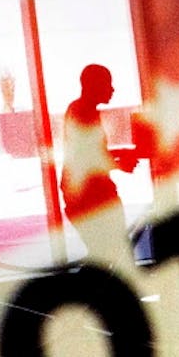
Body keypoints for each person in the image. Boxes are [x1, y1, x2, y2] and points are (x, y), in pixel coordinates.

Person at [59, 64, 138, 260]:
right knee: (109, 253)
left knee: (104, 253)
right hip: (89, 197)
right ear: (93, 85)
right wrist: (121, 164)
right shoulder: (83, 112)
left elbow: (88, 151)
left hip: (84, 195)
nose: (112, 89)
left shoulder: (80, 110)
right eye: (107, 84)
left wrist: (120, 153)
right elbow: (89, 157)